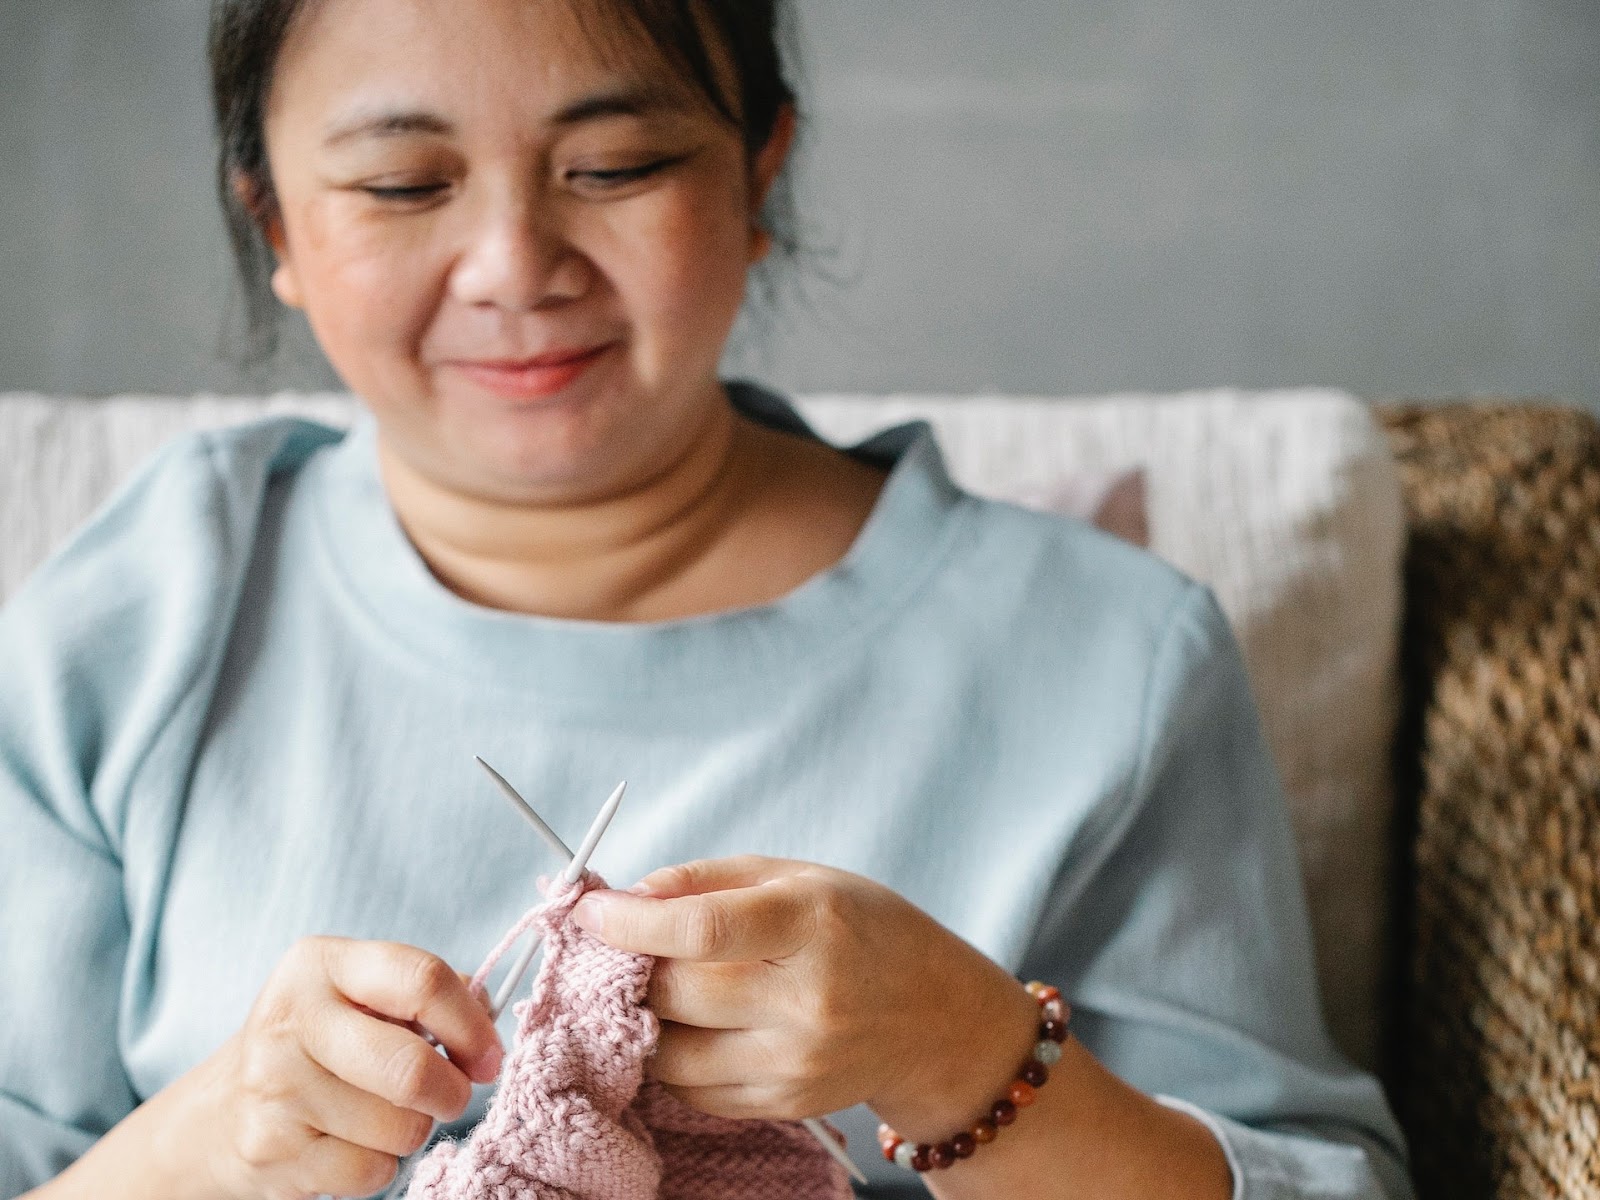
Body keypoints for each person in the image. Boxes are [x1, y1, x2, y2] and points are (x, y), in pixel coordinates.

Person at [0, 2, 1412, 1198]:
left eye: (614, 165)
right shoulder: (151, 615)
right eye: (404, 187)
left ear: (759, 180)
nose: (513, 267)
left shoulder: (1106, 657)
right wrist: (203, 1146)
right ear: (277, 225)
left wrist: (968, 1059)